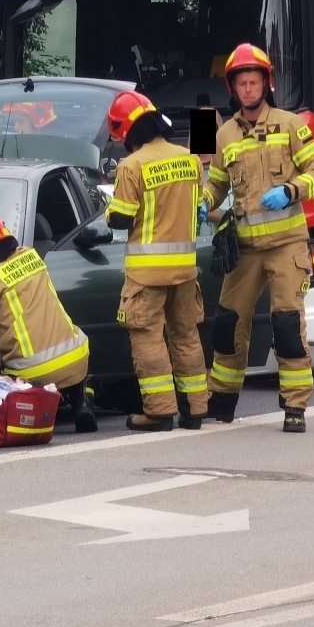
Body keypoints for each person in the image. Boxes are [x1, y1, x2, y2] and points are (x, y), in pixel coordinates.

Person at [199, 44, 314, 433]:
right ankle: (221, 399)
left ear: (266, 84)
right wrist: (203, 203)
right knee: (228, 323)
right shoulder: (223, 134)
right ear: (233, 88)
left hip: (287, 244)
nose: (249, 89)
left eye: (255, 82)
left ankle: (295, 406)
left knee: (287, 324)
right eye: (242, 83)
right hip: (246, 247)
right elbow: (217, 184)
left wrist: (290, 191)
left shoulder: (291, 124)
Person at [103, 91, 207, 431]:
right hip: (185, 269)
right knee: (185, 334)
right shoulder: (188, 159)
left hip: (147, 273)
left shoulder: (132, 166)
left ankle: (160, 412)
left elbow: (120, 218)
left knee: (147, 336)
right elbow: (200, 203)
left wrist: (107, 210)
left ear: (126, 132)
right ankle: (195, 409)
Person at [0, 210, 99, 433]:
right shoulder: (30, 255)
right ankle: (82, 400)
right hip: (75, 358)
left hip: (29, 373)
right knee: (80, 362)